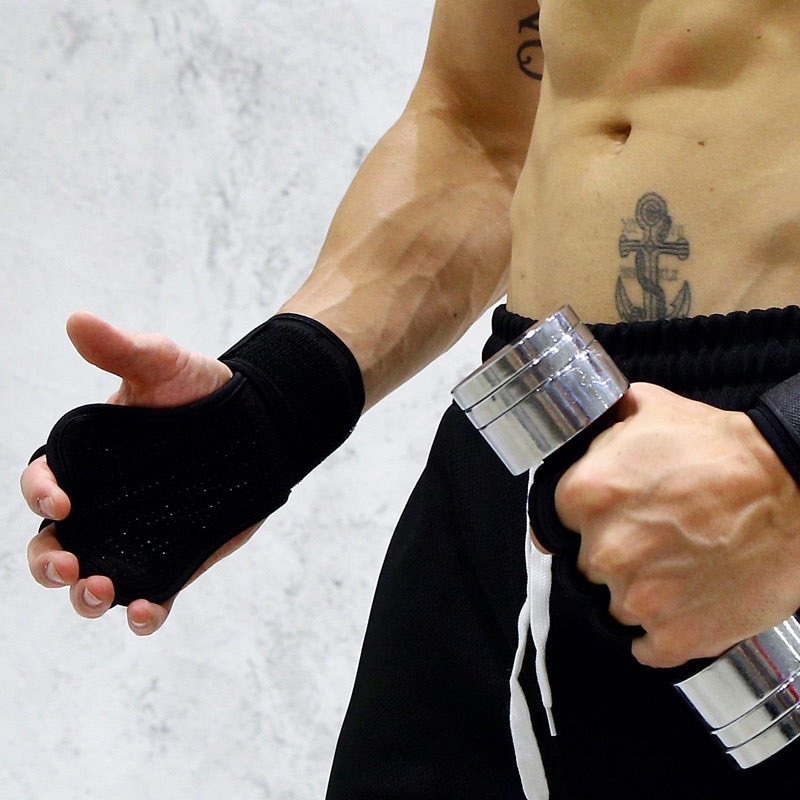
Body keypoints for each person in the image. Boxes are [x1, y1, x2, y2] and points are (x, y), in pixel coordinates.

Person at [20, 1, 800, 797]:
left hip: (768, 490)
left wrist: (787, 456)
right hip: (519, 439)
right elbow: (481, 134)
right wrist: (282, 401)